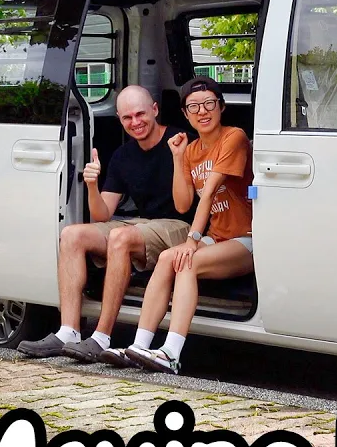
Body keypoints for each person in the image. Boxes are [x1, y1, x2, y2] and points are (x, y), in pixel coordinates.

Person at [18, 85, 192, 360]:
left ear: (155, 110)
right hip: (144, 224)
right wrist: (91, 184)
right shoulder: (123, 155)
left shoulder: (181, 141)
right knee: (72, 235)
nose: (135, 122)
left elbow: (189, 203)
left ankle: (101, 337)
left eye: (140, 114)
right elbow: (102, 214)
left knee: (120, 237)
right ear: (119, 119)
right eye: (127, 118)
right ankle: (68, 331)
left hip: (181, 226)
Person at [103, 77, 254, 373]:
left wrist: (192, 240)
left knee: (186, 261)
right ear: (185, 114)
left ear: (221, 107)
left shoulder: (233, 137)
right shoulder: (191, 149)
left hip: (246, 238)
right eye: (193, 107)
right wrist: (177, 157)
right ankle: (138, 346)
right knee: (166, 258)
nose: (202, 111)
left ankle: (171, 352)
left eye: (209, 103)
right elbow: (183, 204)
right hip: (218, 237)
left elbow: (208, 193)